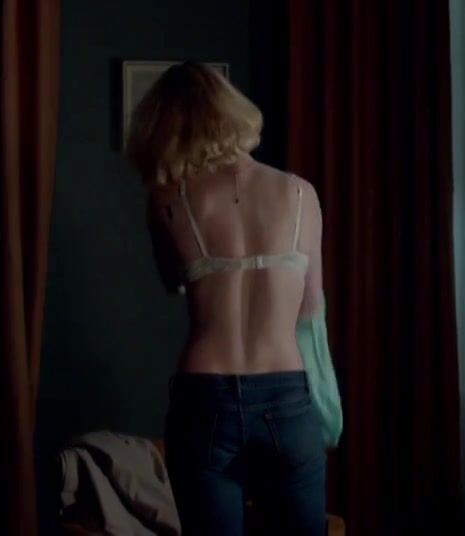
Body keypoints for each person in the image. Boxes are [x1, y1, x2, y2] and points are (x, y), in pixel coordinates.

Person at [126, 61, 327, 535]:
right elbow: (310, 308)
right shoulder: (300, 194)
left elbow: (172, 280)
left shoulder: (167, 199)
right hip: (285, 393)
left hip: (205, 396)